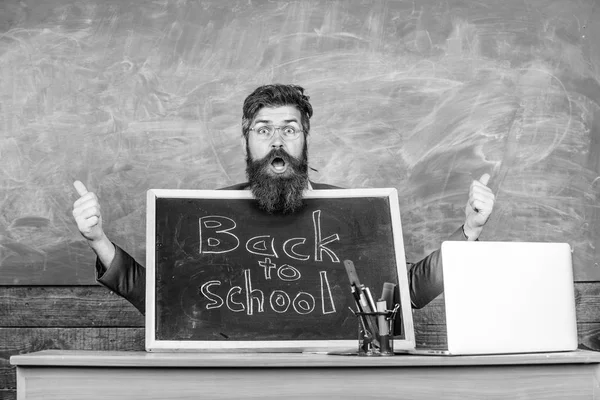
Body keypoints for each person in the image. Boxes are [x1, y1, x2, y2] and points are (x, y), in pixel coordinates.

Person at [72, 84, 495, 315]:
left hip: (334, 379)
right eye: (264, 129)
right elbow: (163, 298)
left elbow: (408, 292)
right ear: (247, 138)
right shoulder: (206, 212)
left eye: (289, 129)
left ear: (305, 138)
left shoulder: (354, 211)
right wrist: (98, 240)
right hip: (231, 380)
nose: (277, 141)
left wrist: (470, 230)